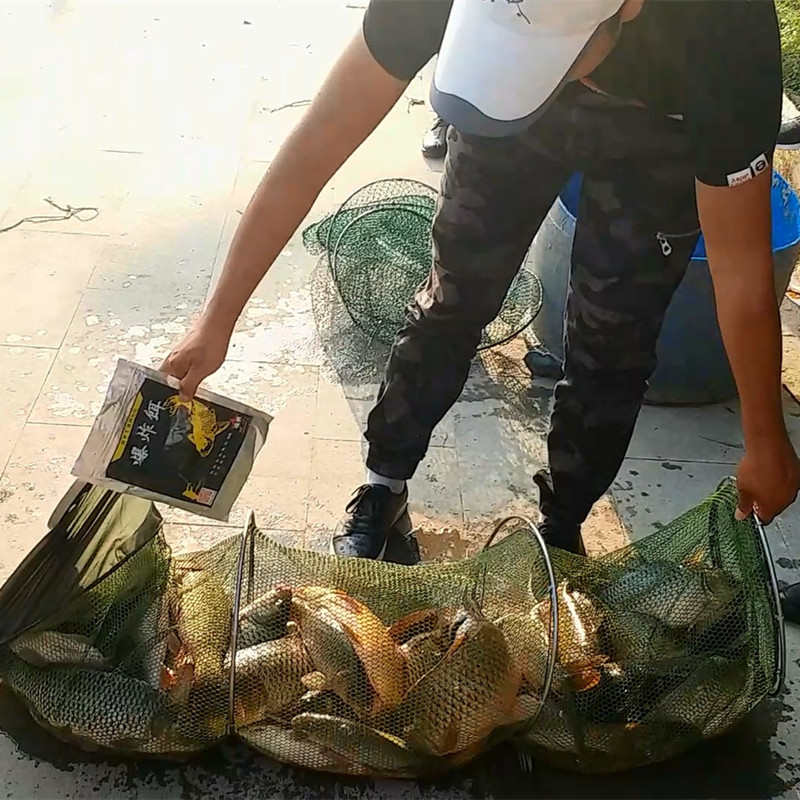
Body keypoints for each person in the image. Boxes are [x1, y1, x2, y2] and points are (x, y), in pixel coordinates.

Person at [163, 0, 800, 563]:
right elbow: (311, 152)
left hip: (664, 121)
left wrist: (765, 440)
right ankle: (383, 486)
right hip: (519, 117)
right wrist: (215, 321)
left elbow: (741, 273)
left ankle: (561, 527)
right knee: (455, 291)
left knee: (614, 341)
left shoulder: (725, 31)